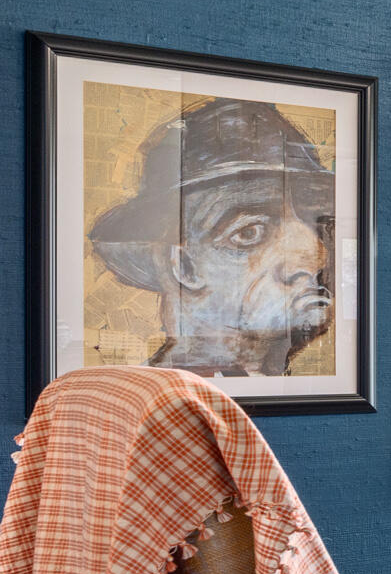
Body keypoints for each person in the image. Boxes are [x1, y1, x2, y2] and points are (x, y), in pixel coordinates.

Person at [88, 96, 333, 377]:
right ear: (184, 265)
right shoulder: (149, 403)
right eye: (249, 233)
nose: (313, 256)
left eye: (312, 225)